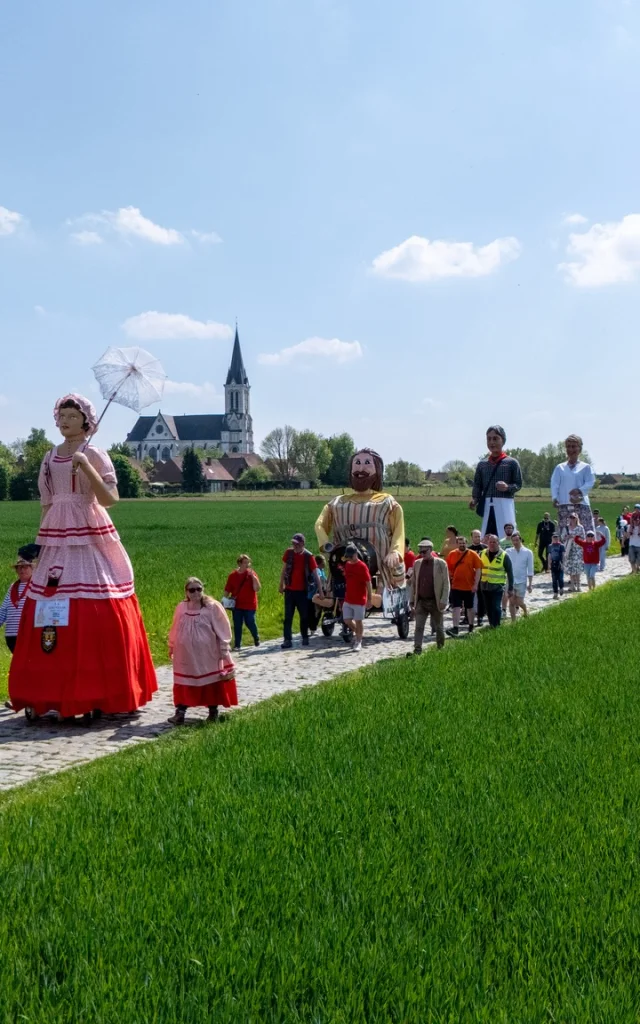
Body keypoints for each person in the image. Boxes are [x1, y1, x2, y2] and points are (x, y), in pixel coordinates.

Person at [9, 394, 157, 720]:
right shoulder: (49, 458)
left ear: (86, 422)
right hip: (56, 536)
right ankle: (46, 691)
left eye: (71, 416)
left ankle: (99, 691)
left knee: (97, 606)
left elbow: (110, 499)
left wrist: (87, 466)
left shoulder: (95, 454)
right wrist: (39, 543)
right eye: (61, 415)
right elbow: (47, 503)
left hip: (91, 534)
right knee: (48, 608)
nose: (64, 421)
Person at [315, 448, 406, 591]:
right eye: (357, 463)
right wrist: (326, 545)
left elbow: (399, 531)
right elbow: (320, 524)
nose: (361, 468)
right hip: (343, 566)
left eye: (367, 463)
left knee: (382, 584)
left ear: (377, 470)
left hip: (379, 565)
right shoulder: (337, 502)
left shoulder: (387, 502)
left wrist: (395, 551)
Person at [167, 577, 237, 725]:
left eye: (199, 589)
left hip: (207, 654)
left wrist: (224, 647)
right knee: (183, 682)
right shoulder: (181, 607)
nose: (196, 593)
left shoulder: (212, 607)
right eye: (192, 590)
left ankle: (213, 712)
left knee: (210, 681)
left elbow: (223, 627)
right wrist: (172, 644)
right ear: (186, 592)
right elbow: (175, 626)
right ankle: (180, 713)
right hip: (184, 654)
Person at [470, 425, 522, 539]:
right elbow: (478, 485)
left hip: (505, 504)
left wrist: (507, 487)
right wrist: (475, 499)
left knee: (507, 535)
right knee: (488, 537)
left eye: (495, 438)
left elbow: (518, 484)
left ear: (503, 440)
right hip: (488, 505)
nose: (491, 442)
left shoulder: (511, 463)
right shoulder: (482, 465)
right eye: (489, 439)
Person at [280, 533, 324, 649]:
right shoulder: (288, 554)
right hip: (289, 591)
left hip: (302, 592)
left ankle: (305, 636)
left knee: (304, 616)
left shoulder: (308, 556)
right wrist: (281, 585)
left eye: (297, 544)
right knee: (288, 617)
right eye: (293, 543)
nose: (295, 546)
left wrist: (321, 591)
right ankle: (287, 640)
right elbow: (284, 570)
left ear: (303, 544)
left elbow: (316, 575)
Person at [408, 539, 449, 653]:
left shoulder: (441, 564)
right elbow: (414, 583)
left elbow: (446, 583)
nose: (422, 554)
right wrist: (412, 600)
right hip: (421, 601)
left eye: (424, 552)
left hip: (436, 601)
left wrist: (444, 600)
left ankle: (440, 648)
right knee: (419, 627)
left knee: (439, 627)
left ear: (430, 550)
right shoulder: (417, 564)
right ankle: (417, 649)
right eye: (420, 552)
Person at [550, 434, 595, 539]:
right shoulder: (560, 468)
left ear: (579, 449)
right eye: (568, 446)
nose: (571, 449)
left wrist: (579, 491)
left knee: (586, 534)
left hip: (581, 505)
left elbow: (590, 482)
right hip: (564, 505)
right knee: (565, 535)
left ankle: (588, 554)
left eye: (574, 446)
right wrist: (555, 498)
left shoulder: (586, 467)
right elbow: (554, 484)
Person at [0, 546, 38, 653]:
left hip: (28, 633)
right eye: (19, 567)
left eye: (25, 567)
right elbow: (3, 610)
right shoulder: (13, 587)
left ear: (32, 568)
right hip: (11, 635)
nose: (22, 570)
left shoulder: (36, 586)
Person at [445, 535, 482, 636]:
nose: (462, 545)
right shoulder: (452, 554)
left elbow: (478, 569)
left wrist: (476, 584)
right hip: (456, 586)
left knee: (469, 608)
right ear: (457, 544)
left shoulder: (473, 554)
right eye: (460, 543)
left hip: (469, 586)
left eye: (464, 543)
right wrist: (450, 578)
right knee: (456, 607)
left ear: (467, 543)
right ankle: (455, 628)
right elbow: (448, 568)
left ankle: (471, 626)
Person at [224, 554, 261, 650]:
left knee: (250, 621)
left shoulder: (251, 574)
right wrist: (224, 600)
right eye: (245, 562)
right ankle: (237, 644)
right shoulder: (232, 576)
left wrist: (254, 578)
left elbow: (257, 589)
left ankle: (256, 637)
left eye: (248, 562)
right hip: (237, 604)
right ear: (239, 563)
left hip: (250, 604)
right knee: (237, 624)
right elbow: (227, 589)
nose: (247, 564)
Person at [342, 544, 373, 652]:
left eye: (351, 556)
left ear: (356, 554)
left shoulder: (362, 566)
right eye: (348, 557)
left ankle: (358, 641)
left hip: (359, 599)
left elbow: (368, 583)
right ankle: (358, 633)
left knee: (358, 621)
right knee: (346, 620)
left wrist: (369, 598)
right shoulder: (347, 565)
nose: (349, 559)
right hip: (348, 598)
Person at [479, 535, 514, 628]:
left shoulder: (504, 555)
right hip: (484, 585)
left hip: (497, 586)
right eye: (490, 542)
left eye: (494, 542)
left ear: (498, 543)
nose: (492, 544)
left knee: (496, 607)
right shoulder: (482, 553)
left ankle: (497, 625)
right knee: (488, 608)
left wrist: (510, 588)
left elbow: (510, 573)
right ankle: (492, 624)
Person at [507, 531, 534, 620]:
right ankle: (513, 621)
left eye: (517, 540)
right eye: (513, 541)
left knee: (519, 601)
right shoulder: (508, 551)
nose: (515, 542)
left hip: (521, 580)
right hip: (510, 580)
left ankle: (525, 610)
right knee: (511, 601)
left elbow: (530, 569)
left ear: (520, 540)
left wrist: (530, 584)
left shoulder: (528, 552)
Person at [563, 511, 585, 592]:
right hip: (569, 550)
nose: (572, 519)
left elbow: (583, 538)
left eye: (573, 517)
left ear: (576, 519)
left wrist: (574, 537)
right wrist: (567, 537)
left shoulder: (580, 528)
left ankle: (578, 585)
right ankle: (572, 586)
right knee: (571, 568)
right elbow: (562, 538)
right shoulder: (566, 528)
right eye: (571, 517)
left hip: (577, 550)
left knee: (578, 568)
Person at [469, 529, 487, 625]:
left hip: (482, 575)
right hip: (471, 575)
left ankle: (480, 615)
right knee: (469, 596)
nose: (477, 538)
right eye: (475, 536)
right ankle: (468, 617)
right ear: (471, 537)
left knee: (481, 596)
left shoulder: (485, 548)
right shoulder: (469, 549)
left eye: (479, 536)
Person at [307, 554, 327, 632]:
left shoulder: (321, 570)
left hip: (314, 594)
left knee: (315, 611)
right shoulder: (317, 570)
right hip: (315, 594)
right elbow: (321, 581)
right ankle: (312, 627)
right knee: (315, 612)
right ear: (321, 562)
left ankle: (312, 627)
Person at [548, 533, 565, 599]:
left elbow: (563, 555)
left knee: (560, 578)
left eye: (556, 537)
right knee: (554, 579)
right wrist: (549, 564)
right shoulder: (550, 546)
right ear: (552, 538)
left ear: (558, 538)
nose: (555, 539)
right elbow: (549, 555)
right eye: (554, 537)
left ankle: (561, 588)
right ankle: (555, 593)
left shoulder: (561, 546)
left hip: (560, 563)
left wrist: (563, 564)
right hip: (553, 563)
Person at [624, 510, 640, 575]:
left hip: (639, 546)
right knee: (631, 560)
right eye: (634, 519)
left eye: (637, 520)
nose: (636, 521)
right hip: (632, 545)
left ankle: (636, 570)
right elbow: (627, 536)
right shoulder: (629, 527)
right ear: (632, 520)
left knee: (638, 561)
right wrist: (626, 533)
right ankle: (635, 572)